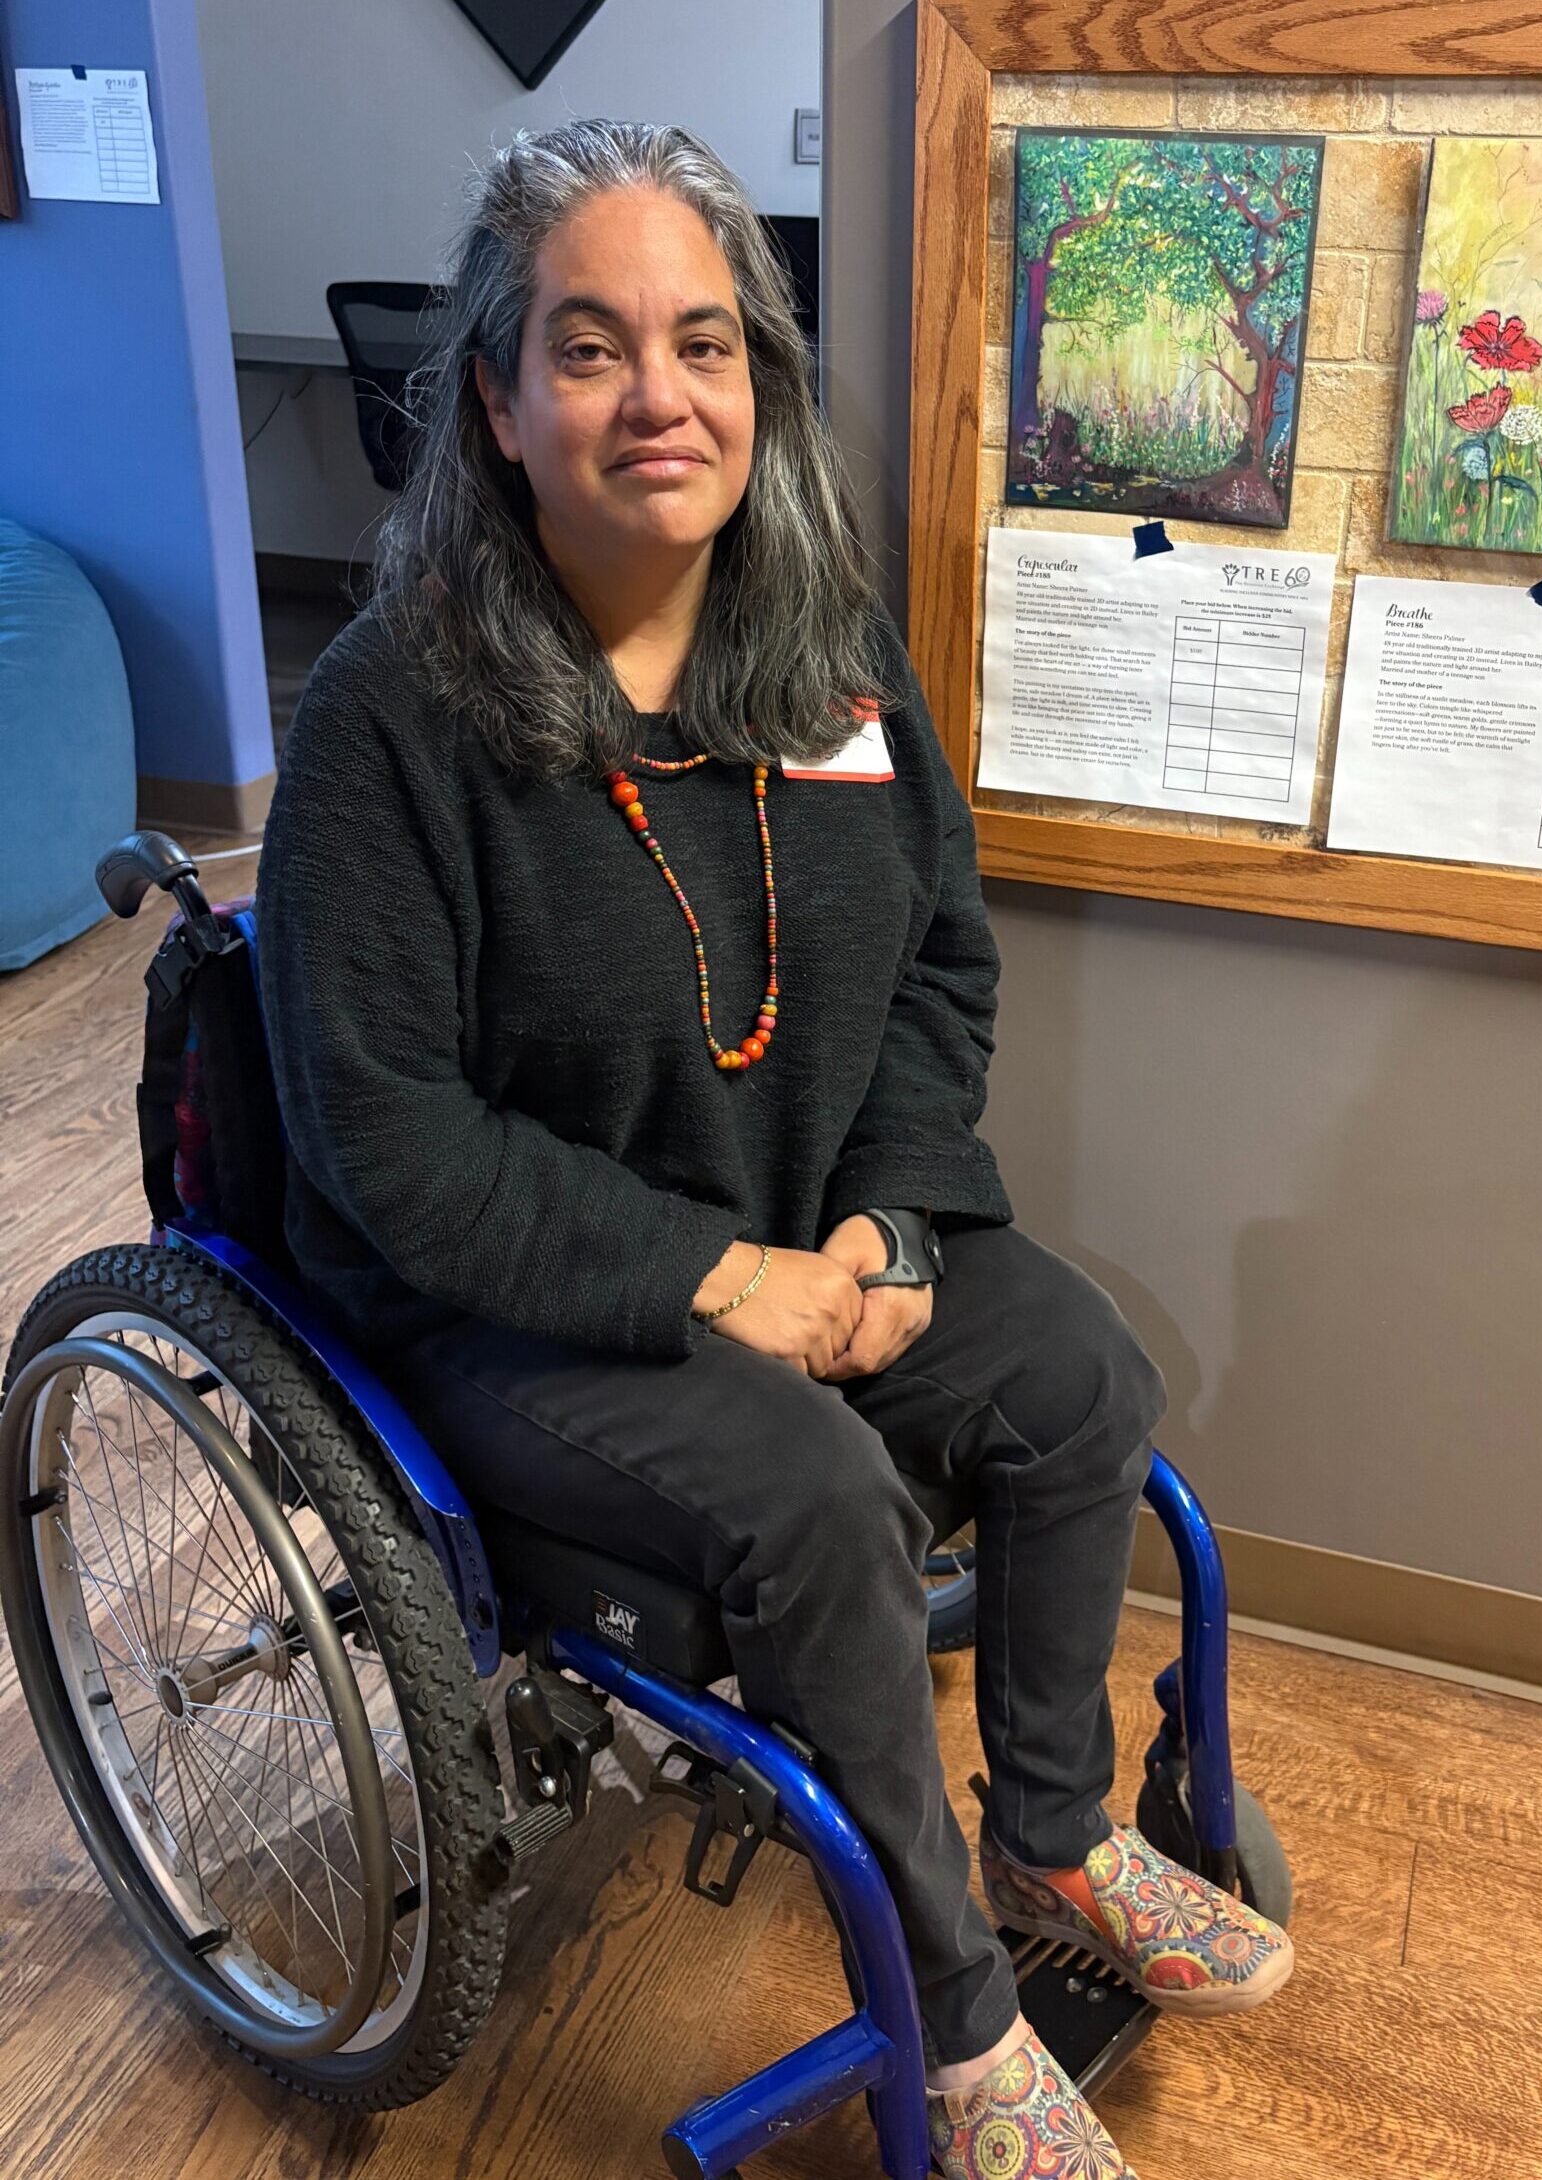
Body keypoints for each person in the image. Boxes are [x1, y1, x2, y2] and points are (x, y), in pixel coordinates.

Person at [255, 119, 1292, 2179]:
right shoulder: (393, 719)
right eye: (592, 344)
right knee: (820, 1503)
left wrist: (891, 1221)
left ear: (763, 383)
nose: (662, 396)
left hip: (810, 1228)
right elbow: (390, 1133)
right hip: (513, 1298)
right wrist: (724, 1284)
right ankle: (963, 2018)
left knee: (1079, 1372)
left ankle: (1056, 1834)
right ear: (494, 394)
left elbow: (937, 970)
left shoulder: (822, 650)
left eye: (706, 343)